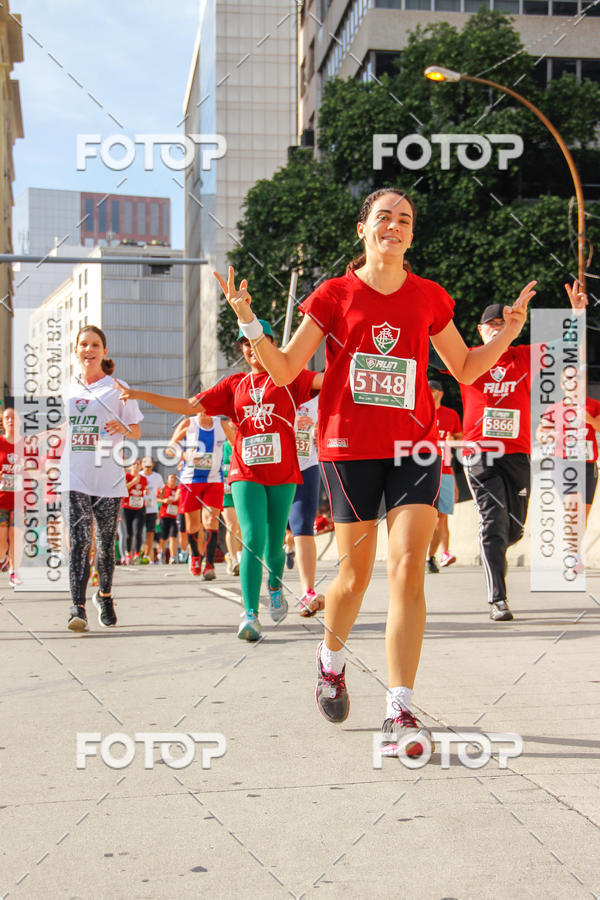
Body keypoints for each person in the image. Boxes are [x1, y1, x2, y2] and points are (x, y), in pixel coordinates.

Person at [219, 188, 537, 757]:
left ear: (412, 235)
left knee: (409, 568)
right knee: (355, 578)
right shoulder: (334, 294)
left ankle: (400, 710)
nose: (395, 225)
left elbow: (463, 366)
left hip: (414, 449)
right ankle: (331, 660)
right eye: (384, 217)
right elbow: (289, 366)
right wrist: (248, 322)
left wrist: (509, 333)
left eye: (405, 219)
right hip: (348, 449)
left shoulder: (429, 297)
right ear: (363, 228)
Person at [115, 317, 322, 641]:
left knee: (274, 546)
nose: (254, 348)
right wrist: (140, 394)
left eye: (261, 341)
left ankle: (275, 586)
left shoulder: (291, 378)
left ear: (272, 345)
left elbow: (330, 381)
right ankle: (251, 614)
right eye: (248, 343)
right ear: (242, 349)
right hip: (246, 472)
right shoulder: (233, 385)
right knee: (252, 538)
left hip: (283, 473)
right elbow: (187, 405)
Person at [459, 282, 586, 621]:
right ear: (480, 330)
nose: (498, 330)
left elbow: (567, 346)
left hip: (517, 453)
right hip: (479, 451)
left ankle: (498, 543)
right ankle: (497, 599)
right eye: (492, 326)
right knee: (492, 522)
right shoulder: (467, 357)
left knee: (513, 529)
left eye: (504, 325)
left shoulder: (523, 356)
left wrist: (576, 315)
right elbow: (423, 353)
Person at [60, 325, 142, 631]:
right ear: (77, 350)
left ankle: (104, 595)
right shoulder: (68, 390)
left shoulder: (119, 387)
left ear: (104, 351)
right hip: (75, 475)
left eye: (95, 345)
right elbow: (64, 430)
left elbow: (136, 429)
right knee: (81, 541)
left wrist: (123, 428)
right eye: (83, 344)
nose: (89, 350)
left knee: (107, 543)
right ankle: (76, 608)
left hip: (108, 477)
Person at [167, 412, 229, 580]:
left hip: (214, 480)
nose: (205, 411)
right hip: (191, 480)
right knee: (193, 524)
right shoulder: (188, 423)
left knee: (211, 520)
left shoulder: (221, 425)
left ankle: (209, 565)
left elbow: (237, 443)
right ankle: (195, 555)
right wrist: (183, 454)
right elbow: (170, 447)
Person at [290, 395, 326, 616]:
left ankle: (308, 592)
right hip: (275, 468)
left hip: (307, 466)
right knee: (271, 532)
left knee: (303, 527)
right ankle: (274, 587)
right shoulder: (271, 387)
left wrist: (320, 432)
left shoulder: (318, 394)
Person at [425, 380, 462, 573]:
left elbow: (459, 439)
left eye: (432, 390)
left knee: (442, 517)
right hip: (423, 471)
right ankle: (431, 554)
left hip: (446, 471)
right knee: (430, 516)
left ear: (439, 392)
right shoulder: (421, 411)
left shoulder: (451, 414)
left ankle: (434, 555)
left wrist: (453, 440)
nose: (429, 393)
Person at [0, 407, 19, 586]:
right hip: (1, 499)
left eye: (14, 417)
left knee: (15, 535)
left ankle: (14, 570)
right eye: (8, 418)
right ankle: (3, 558)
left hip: (20, 500)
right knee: (2, 542)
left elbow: (34, 468)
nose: (11, 420)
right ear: (3, 421)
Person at [221, 436, 242, 575]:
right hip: (226, 492)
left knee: (241, 527)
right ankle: (233, 558)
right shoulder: (221, 447)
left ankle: (239, 557)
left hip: (242, 489)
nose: (232, 432)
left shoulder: (242, 443)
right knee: (231, 525)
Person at [121, 459, 147, 565]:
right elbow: (123, 489)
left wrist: (145, 491)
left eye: (138, 464)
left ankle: (136, 554)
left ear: (140, 467)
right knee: (128, 533)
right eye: (134, 464)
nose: (136, 466)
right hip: (127, 507)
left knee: (138, 532)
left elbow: (143, 489)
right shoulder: (126, 477)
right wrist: (133, 482)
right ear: (130, 467)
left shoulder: (144, 478)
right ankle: (128, 553)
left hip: (139, 507)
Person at [142, 457, 164, 563]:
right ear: (142, 464)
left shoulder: (157, 477)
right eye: (145, 462)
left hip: (152, 508)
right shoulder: (139, 475)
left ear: (153, 464)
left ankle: (147, 556)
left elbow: (162, 489)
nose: (147, 465)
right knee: (136, 533)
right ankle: (135, 554)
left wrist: (161, 493)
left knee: (150, 533)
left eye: (149, 462)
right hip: (138, 508)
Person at [157, 473, 181, 563]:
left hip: (175, 516)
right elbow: (157, 498)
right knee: (163, 537)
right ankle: (161, 553)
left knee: (173, 536)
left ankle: (172, 556)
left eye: (174, 478)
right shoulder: (164, 489)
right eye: (171, 478)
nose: (173, 480)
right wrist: (164, 500)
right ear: (167, 480)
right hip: (164, 515)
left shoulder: (179, 489)